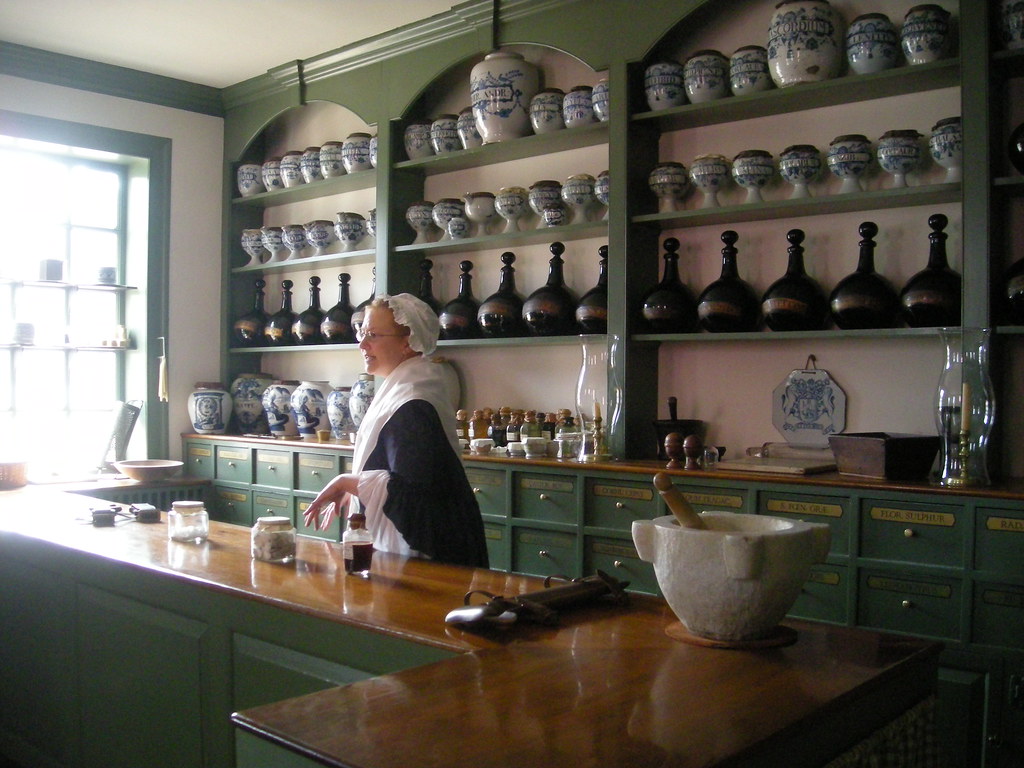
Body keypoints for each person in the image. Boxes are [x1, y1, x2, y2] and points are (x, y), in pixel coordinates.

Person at [303, 294, 489, 568]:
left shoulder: (412, 403)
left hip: (427, 559)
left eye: (374, 335)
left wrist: (347, 482)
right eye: (362, 333)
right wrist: (357, 486)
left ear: (408, 341)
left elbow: (413, 496)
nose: (362, 345)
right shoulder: (409, 387)